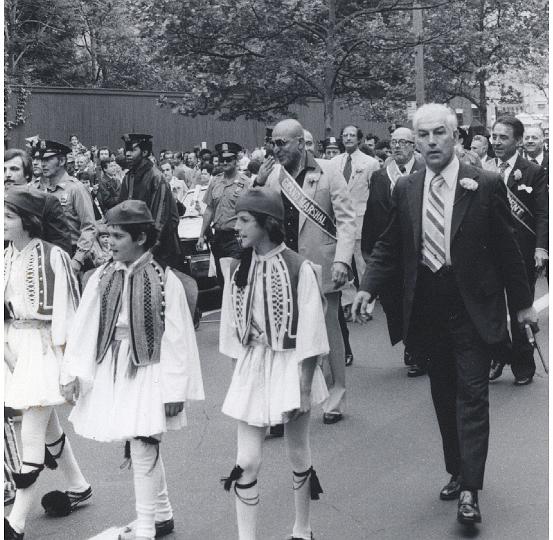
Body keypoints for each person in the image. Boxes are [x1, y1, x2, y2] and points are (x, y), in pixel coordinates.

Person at [352, 103, 536, 526]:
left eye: (439, 133)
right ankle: (457, 468)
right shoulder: (407, 188)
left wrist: (522, 305)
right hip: (428, 308)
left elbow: (508, 250)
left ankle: (471, 488)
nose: (431, 142)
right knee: (442, 394)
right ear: (415, 141)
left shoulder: (484, 184)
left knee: (473, 395)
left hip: (473, 306)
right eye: (423, 135)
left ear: (455, 137)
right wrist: (367, 288)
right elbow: (389, 246)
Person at [60, 200, 205, 540]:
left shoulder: (165, 279)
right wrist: (73, 373)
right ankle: (163, 513)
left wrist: (174, 391)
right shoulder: (102, 276)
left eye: (118, 236)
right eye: (107, 235)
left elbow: (177, 338)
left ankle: (144, 527)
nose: (109, 243)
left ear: (141, 238)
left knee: (143, 441)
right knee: (142, 436)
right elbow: (85, 325)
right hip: (114, 365)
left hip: (151, 367)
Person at [220, 188, 328, 540]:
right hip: (255, 366)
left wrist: (304, 389)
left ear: (267, 224)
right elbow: (232, 331)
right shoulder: (238, 266)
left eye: (244, 220)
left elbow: (312, 334)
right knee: (247, 460)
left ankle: (302, 529)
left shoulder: (300, 268)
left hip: (291, 368)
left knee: (297, 452)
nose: (237, 227)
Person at [4, 190, 92, 540]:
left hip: (44, 348)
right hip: (14, 347)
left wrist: (68, 368)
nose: (1, 223)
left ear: (27, 220)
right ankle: (78, 485)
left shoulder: (54, 256)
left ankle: (15, 524)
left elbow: (70, 314)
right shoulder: (5, 257)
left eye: (7, 217)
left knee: (31, 432)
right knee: (46, 425)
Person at [255, 119, 356, 425]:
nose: (276, 149)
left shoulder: (329, 171)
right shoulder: (273, 175)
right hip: (284, 268)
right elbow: (256, 213)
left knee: (329, 330)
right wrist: (257, 183)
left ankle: (336, 395)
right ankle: (289, 399)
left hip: (320, 263)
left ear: (300, 142)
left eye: (282, 143)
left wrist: (342, 260)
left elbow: (346, 220)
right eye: (273, 143)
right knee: (284, 336)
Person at [486, 116, 548, 385]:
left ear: (518, 141)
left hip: (522, 253)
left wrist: (541, 248)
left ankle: (524, 363)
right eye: (494, 136)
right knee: (491, 307)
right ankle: (499, 354)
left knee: (520, 307)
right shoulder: (484, 169)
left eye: (503, 137)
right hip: (489, 253)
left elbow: (544, 214)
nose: (497, 142)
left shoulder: (533, 172)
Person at [361, 127, 426, 377]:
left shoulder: (423, 172)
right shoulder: (380, 176)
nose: (397, 147)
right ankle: (409, 341)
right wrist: (368, 247)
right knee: (392, 302)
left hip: (415, 250)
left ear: (413, 146)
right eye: (394, 143)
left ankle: (416, 350)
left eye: (403, 142)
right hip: (388, 250)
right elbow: (371, 211)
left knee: (416, 301)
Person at [331, 125, 379, 320]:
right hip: (338, 221)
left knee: (362, 264)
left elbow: (375, 194)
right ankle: (347, 303)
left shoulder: (371, 163)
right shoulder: (333, 162)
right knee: (343, 262)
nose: (348, 138)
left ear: (359, 139)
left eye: (352, 135)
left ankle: (366, 307)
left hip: (361, 220)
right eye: (345, 135)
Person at [119, 133, 182, 270]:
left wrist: (149, 251)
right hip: (137, 247)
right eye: (126, 150)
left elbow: (160, 220)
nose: (128, 154)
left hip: (159, 250)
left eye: (133, 150)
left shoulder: (156, 178)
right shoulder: (129, 177)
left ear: (145, 152)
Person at [36, 140, 96, 272]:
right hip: (48, 254)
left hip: (72, 254)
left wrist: (77, 260)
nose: (43, 164)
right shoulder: (42, 190)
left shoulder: (76, 189)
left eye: (48, 160)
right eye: (42, 160)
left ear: (62, 161)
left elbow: (89, 227)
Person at [197, 142, 251, 285]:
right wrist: (201, 235)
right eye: (222, 160)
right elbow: (209, 209)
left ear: (236, 160)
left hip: (237, 238)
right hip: (219, 238)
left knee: (235, 279)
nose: (225, 162)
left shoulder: (246, 183)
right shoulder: (215, 181)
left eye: (229, 159)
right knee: (222, 280)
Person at [4, 148, 72, 253]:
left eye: (14, 169)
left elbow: (61, 248)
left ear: (27, 174)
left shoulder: (46, 202)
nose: (7, 174)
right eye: (3, 170)